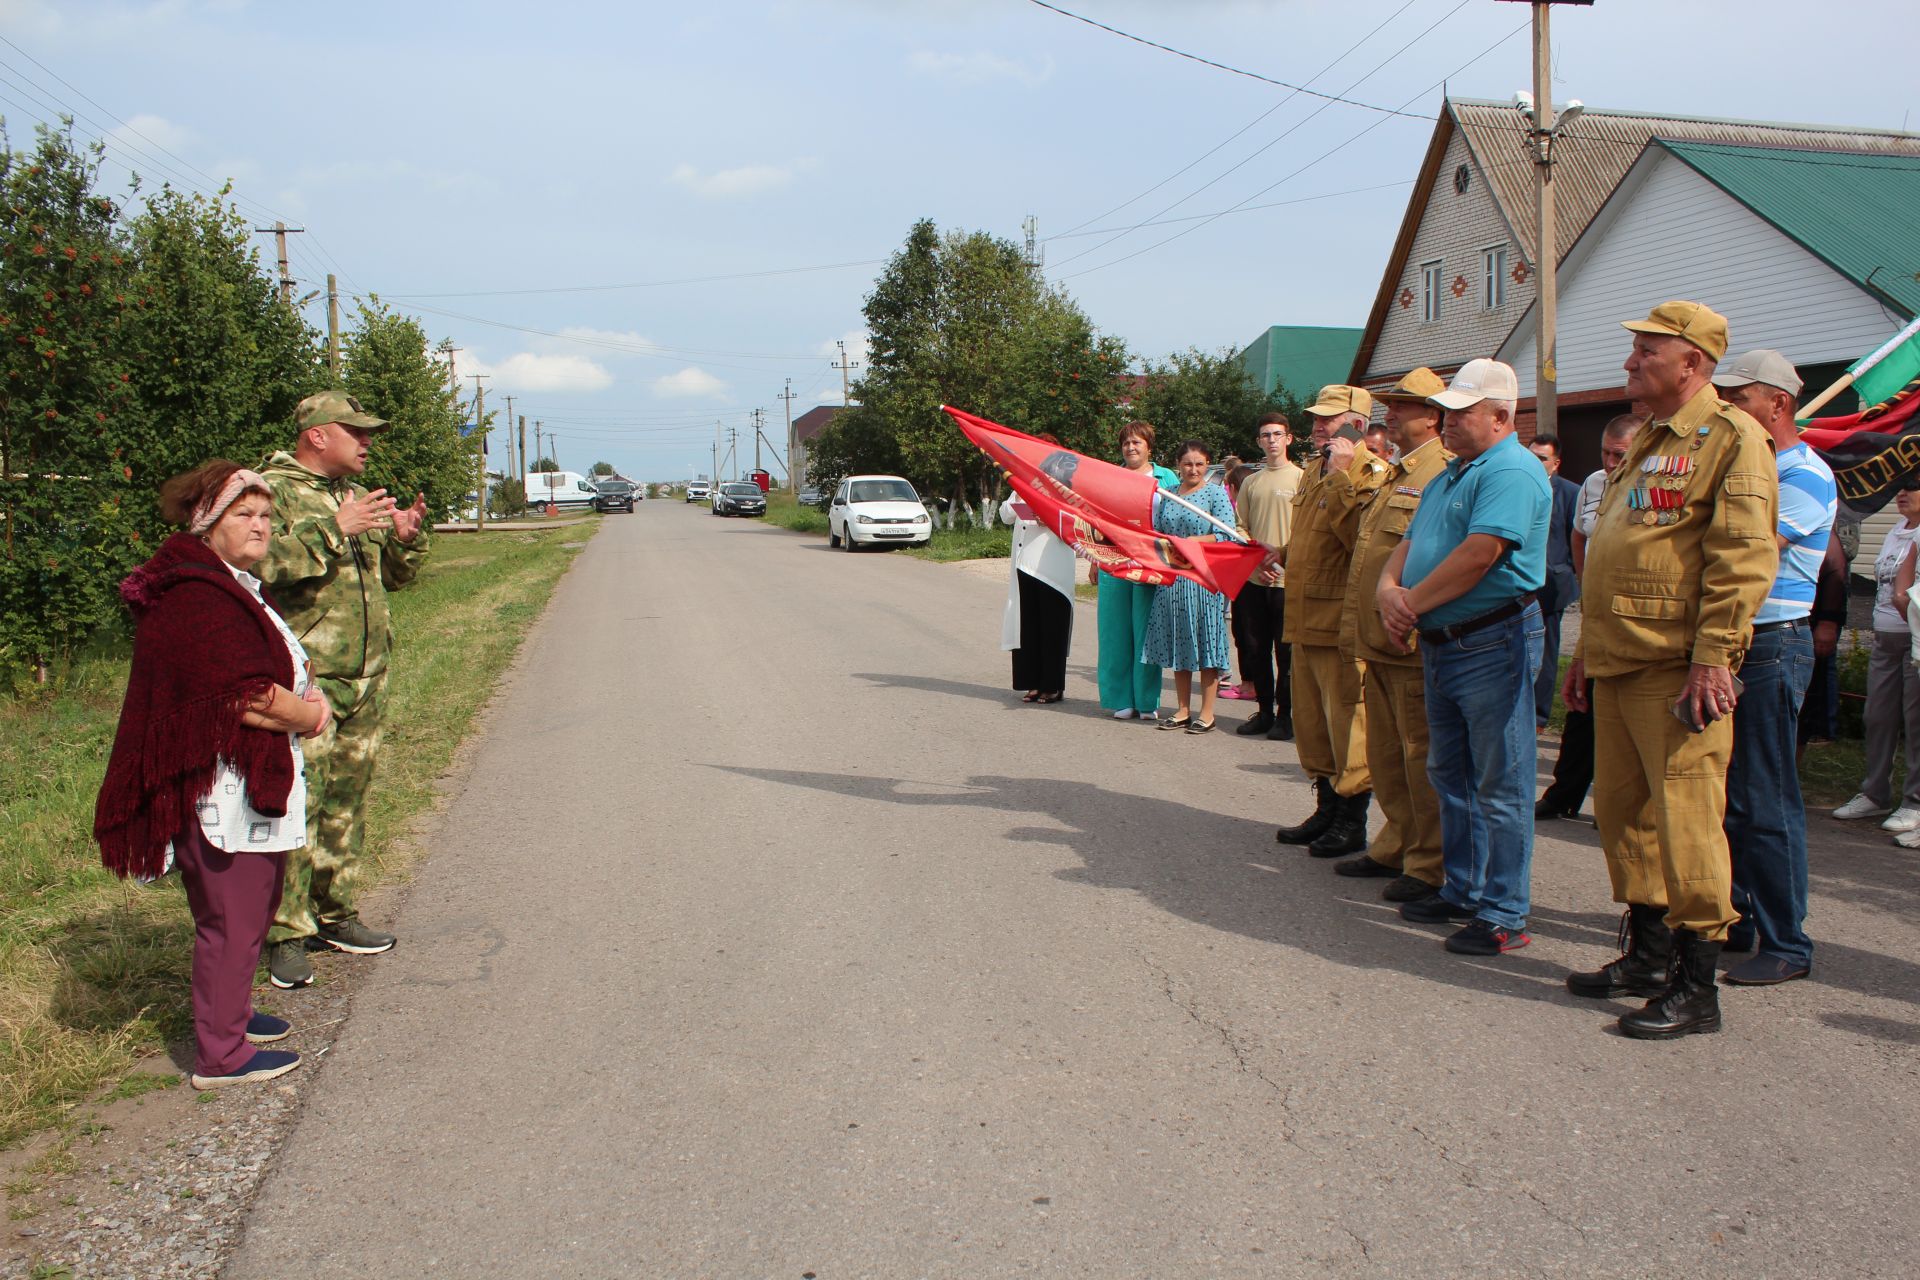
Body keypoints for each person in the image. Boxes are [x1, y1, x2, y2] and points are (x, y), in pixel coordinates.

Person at [1562, 301, 1777, 1040]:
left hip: (1677, 668)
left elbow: (1742, 558)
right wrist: (1588, 652)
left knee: (1686, 824)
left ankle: (1696, 987)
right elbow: (1620, 551)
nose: (1629, 363)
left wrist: (1714, 658)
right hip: (1620, 660)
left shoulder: (1731, 438)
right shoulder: (1650, 437)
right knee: (1624, 815)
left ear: (1692, 362)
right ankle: (1647, 956)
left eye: (1646, 352)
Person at [93, 461, 332, 1089]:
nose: (259, 526)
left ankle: (235, 1014)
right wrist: (307, 715)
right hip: (219, 785)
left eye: (264, 515)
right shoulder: (195, 596)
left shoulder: (229, 583)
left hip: (247, 776)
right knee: (230, 917)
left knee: (255, 906)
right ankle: (221, 1056)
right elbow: (242, 695)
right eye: (242, 514)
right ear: (207, 522)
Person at [258, 391, 430, 990]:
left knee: (346, 803)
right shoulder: (268, 492)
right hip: (308, 683)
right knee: (295, 806)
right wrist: (335, 529)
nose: (367, 442)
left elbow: (396, 579)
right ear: (317, 435)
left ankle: (335, 913)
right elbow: (258, 565)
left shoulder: (353, 497)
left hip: (365, 678)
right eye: (355, 432)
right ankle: (285, 933)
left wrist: (406, 536)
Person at [1377, 360, 1550, 955]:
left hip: (1491, 639)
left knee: (1499, 781)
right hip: (1447, 641)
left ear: (1501, 417)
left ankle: (1504, 912)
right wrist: (1388, 591)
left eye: (1461, 411)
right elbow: (1407, 543)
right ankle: (1465, 887)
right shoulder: (1454, 473)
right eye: (1446, 410)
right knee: (1450, 772)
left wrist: (1409, 604)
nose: (1447, 420)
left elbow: (1482, 554)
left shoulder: (1512, 470)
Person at [1711, 349, 1834, 987]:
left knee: (1764, 796)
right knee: (1731, 793)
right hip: (1736, 641)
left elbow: (1748, 546)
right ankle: (1743, 916)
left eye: (1739, 397)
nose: (1727, 407)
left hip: (1770, 642)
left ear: (1777, 404)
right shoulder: (1750, 464)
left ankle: (1788, 942)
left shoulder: (1804, 473)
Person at [1331, 368, 1452, 903]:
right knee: (1385, 755)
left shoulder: (1442, 472)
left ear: (1434, 416)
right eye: (1391, 404)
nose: (1391, 415)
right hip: (1377, 639)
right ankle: (1395, 843)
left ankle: (1427, 862)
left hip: (1408, 639)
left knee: (1416, 755)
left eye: (1402, 406)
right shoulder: (1399, 471)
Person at [1274, 385, 1389, 856]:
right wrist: (1277, 553)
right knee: (1313, 724)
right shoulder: (1314, 470)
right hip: (1304, 615)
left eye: (1328, 419)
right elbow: (1311, 537)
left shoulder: (1370, 472)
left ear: (1356, 425)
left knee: (1348, 724)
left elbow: (1360, 538)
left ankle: (1351, 819)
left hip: (1340, 621)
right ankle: (1324, 808)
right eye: (1316, 418)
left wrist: (1343, 475)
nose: (1318, 426)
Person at [1537, 414, 1641, 819]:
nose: (1612, 463)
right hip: (1599, 612)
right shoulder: (1595, 483)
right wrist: (1585, 584)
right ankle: (1564, 793)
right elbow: (1580, 534)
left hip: (1636, 613)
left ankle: (1622, 808)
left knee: (1628, 715)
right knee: (1583, 707)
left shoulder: (1656, 484)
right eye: (1606, 453)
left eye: (1620, 455)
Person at [1831, 482, 1920, 830]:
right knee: (1878, 715)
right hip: (1884, 638)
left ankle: (1913, 801)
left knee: (1915, 722)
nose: (1902, 494)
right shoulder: (1897, 530)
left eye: (1912, 487)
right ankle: (1875, 792)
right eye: (1899, 488)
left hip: (1914, 640)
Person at [1143, 439, 1238, 733]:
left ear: (1207, 464)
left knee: (1206, 643)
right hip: (1172, 581)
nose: (1193, 469)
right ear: (1178, 465)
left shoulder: (1215, 494)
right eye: (1187, 464)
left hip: (1203, 580)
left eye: (1199, 464)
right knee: (1178, 643)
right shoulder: (1169, 494)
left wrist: (1193, 542)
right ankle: (1182, 709)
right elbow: (1158, 533)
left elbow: (1228, 535)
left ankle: (1207, 712)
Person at [1094, 422, 1178, 721]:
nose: (1131, 447)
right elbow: (1098, 522)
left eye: (1137, 442)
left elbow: (1175, 518)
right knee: (1115, 631)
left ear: (1148, 446)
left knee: (1147, 631)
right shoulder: (1111, 477)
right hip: (1114, 560)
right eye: (1127, 442)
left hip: (1150, 561)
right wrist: (1095, 560)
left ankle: (1146, 700)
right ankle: (1120, 699)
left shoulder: (1166, 477)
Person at [1231, 413, 1305, 739]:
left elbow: (1307, 529)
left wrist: (1282, 554)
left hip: (1287, 580)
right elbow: (1238, 526)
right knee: (1254, 647)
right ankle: (1263, 711)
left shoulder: (1303, 479)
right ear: (1259, 441)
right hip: (1254, 578)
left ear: (1289, 438)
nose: (1272, 440)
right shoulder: (1251, 482)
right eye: (1265, 435)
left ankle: (1285, 716)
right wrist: (1256, 555)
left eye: (1277, 434)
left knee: (1285, 652)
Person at [1000, 437, 1076, 705]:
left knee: (1052, 627)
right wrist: (1018, 502)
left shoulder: (1064, 488)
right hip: (1024, 563)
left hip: (1051, 567)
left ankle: (1052, 686)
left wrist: (1051, 518)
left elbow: (1076, 522)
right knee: (1027, 626)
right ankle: (1031, 683)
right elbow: (1004, 514)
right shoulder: (1021, 481)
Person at [1529, 434, 1582, 730]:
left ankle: (1538, 716)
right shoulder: (1519, 487)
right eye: (1531, 455)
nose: (1535, 462)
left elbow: (1576, 538)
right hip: (1519, 587)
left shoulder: (1570, 493)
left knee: (1546, 654)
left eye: (1542, 458)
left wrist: (1565, 571)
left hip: (1552, 589)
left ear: (1556, 463)